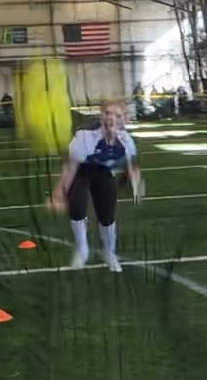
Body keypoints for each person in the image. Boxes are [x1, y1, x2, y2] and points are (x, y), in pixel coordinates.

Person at [49, 100, 140, 273]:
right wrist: (59, 192)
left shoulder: (127, 141)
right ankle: (82, 249)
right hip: (81, 171)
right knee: (77, 208)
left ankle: (109, 253)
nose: (111, 118)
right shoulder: (84, 137)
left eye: (117, 115)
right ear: (101, 115)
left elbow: (131, 165)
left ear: (125, 119)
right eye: (107, 113)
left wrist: (134, 179)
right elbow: (71, 167)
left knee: (107, 215)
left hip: (103, 172)